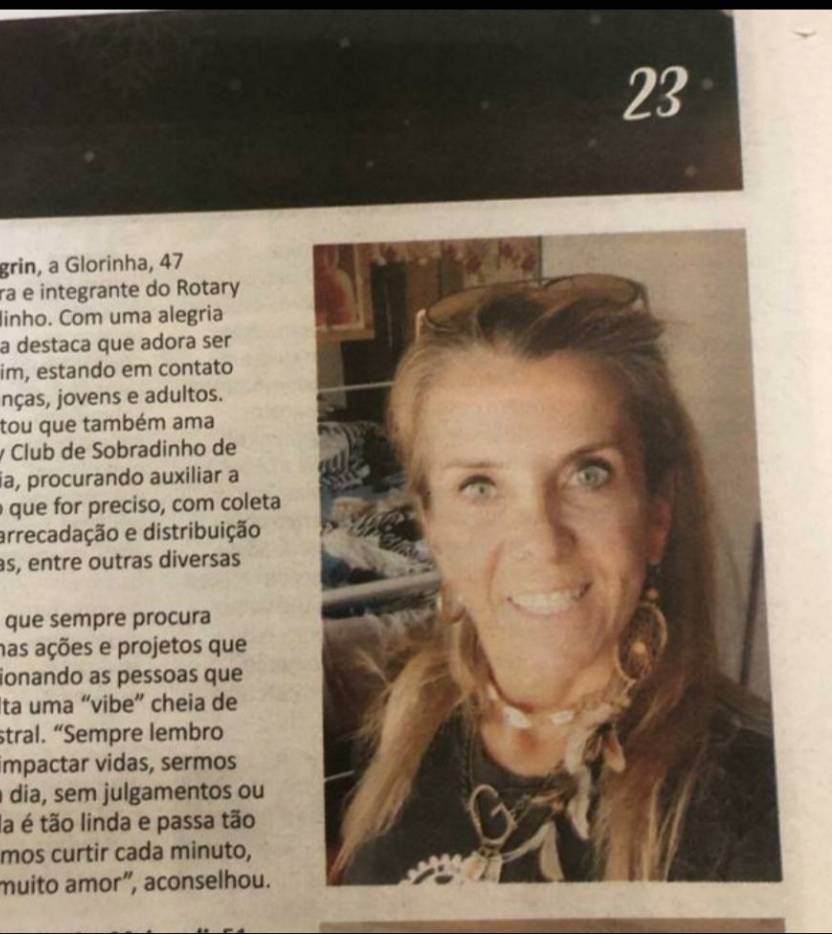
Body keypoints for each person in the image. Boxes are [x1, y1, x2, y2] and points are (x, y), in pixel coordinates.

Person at [333, 275, 780, 884]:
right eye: (480, 486)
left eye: (587, 475)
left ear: (657, 512)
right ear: (433, 530)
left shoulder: (760, 806)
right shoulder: (405, 721)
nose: (542, 541)